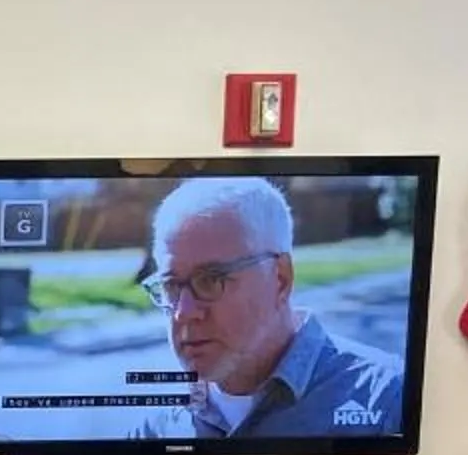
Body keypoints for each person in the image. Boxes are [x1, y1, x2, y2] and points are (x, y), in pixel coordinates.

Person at [141, 175, 402, 440]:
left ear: (280, 279)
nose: (183, 312)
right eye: (171, 285)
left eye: (210, 280)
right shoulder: (158, 427)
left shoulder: (385, 400)